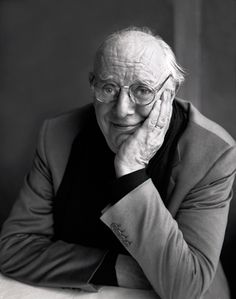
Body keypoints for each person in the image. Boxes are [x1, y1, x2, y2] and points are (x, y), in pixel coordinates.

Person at [0, 26, 235, 299]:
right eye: (108, 87)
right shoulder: (57, 135)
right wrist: (118, 268)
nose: (122, 109)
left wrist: (131, 170)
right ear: (93, 85)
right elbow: (15, 248)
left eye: (142, 90)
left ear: (169, 93)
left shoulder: (214, 153)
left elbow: (186, 286)